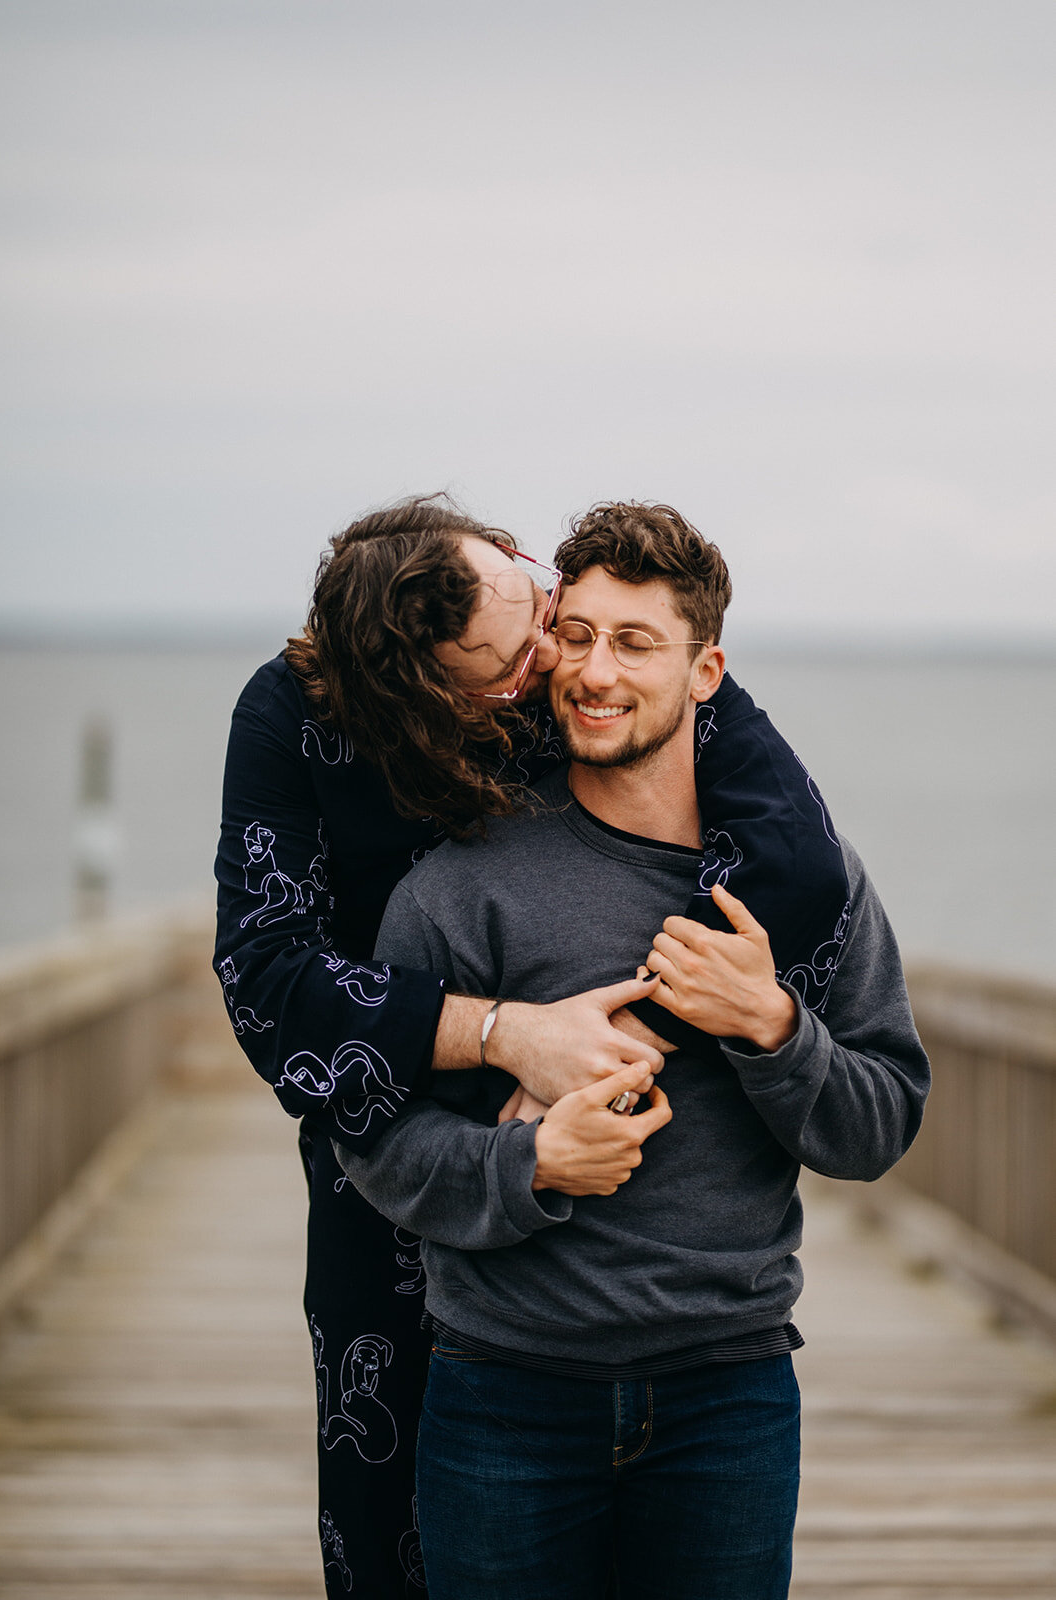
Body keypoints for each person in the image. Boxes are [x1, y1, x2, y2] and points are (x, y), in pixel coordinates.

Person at [213, 494, 852, 1598]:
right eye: (521, 659)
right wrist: (510, 1038)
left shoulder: (590, 648)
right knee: (388, 1518)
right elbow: (268, 986)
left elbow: (793, 865)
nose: (560, 652)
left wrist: (619, 1040)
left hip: (640, 1280)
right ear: (440, 691)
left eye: (532, 587)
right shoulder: (290, 718)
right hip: (392, 1131)